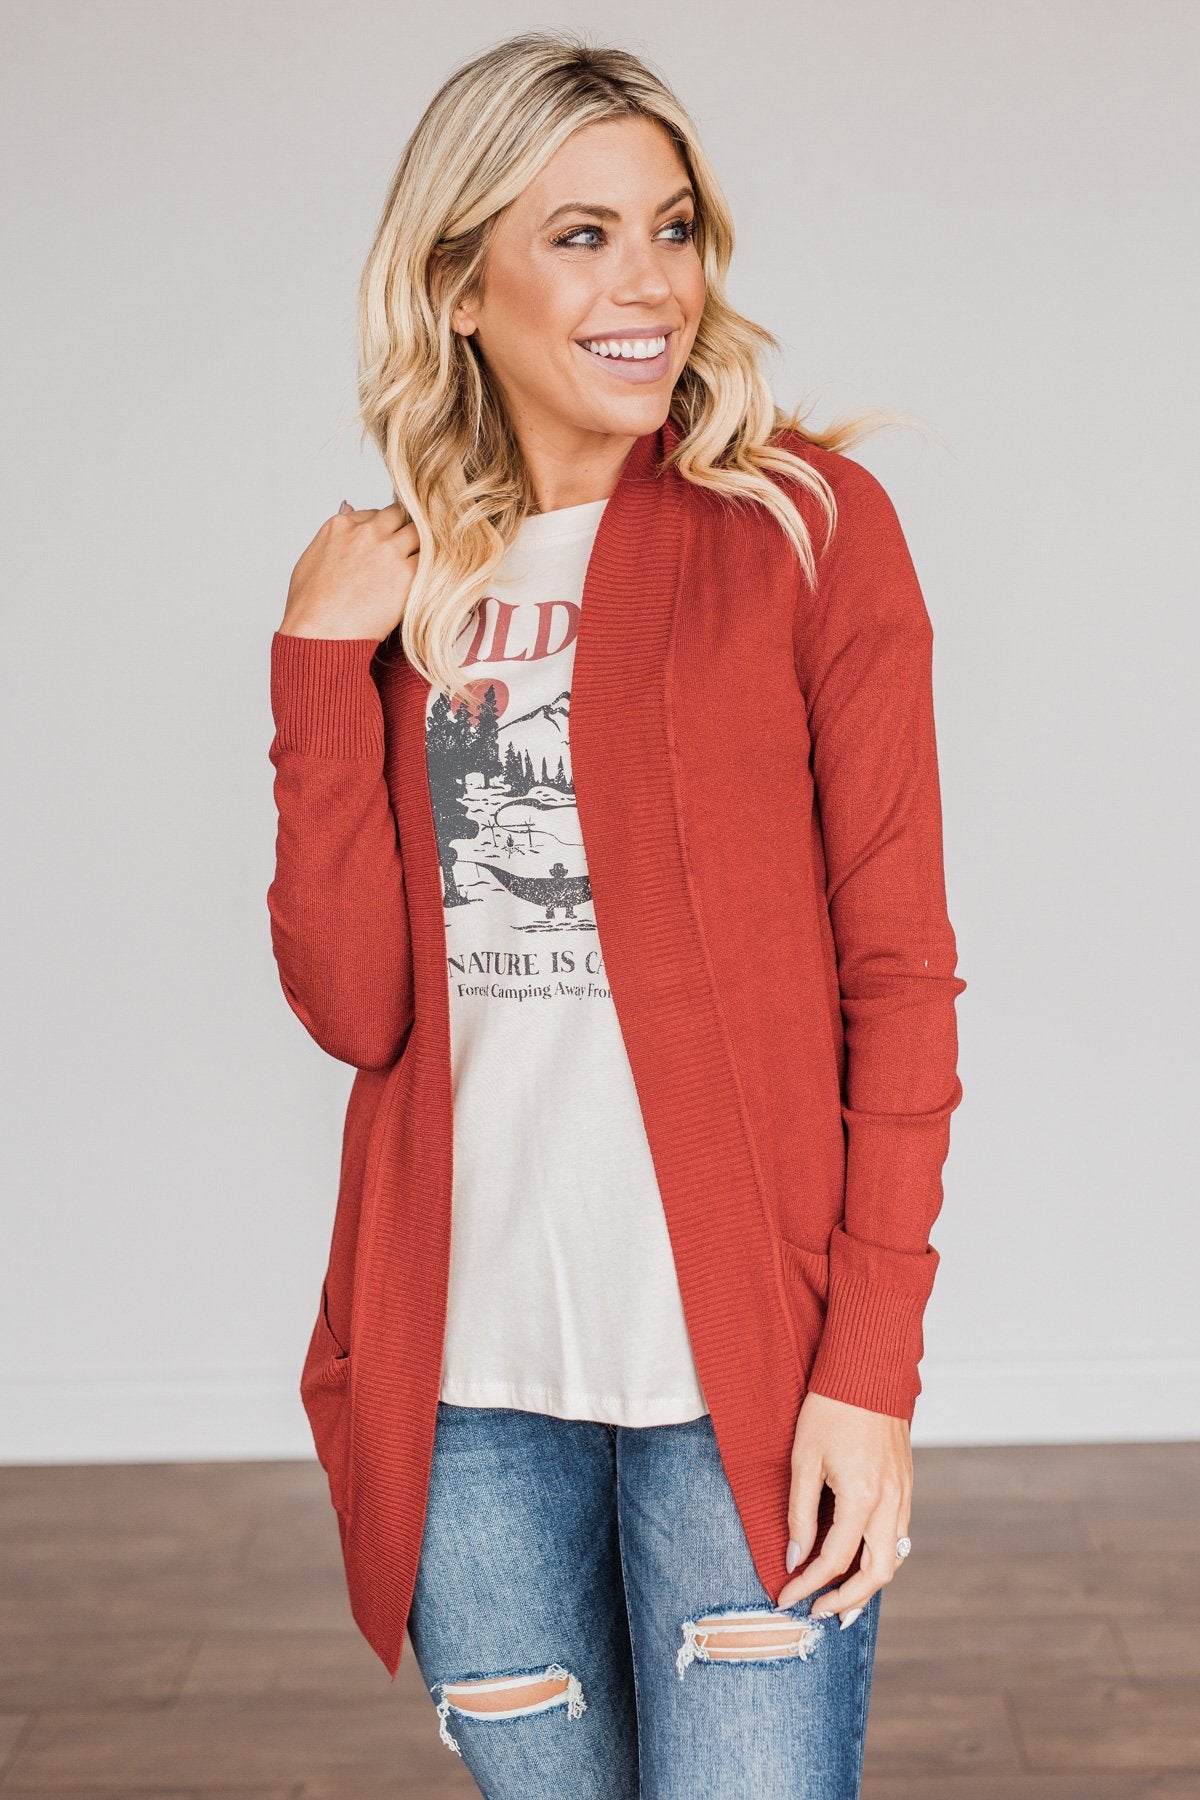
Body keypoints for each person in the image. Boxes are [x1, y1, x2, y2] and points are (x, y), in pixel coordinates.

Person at [266, 29, 966, 1798]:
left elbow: (899, 978)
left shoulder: (804, 529)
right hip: (467, 1390)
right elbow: (356, 1005)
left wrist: (871, 1371)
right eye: (580, 236)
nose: (648, 282)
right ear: (459, 283)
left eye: (670, 227)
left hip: (742, 1380)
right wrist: (314, 668)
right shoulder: (406, 582)